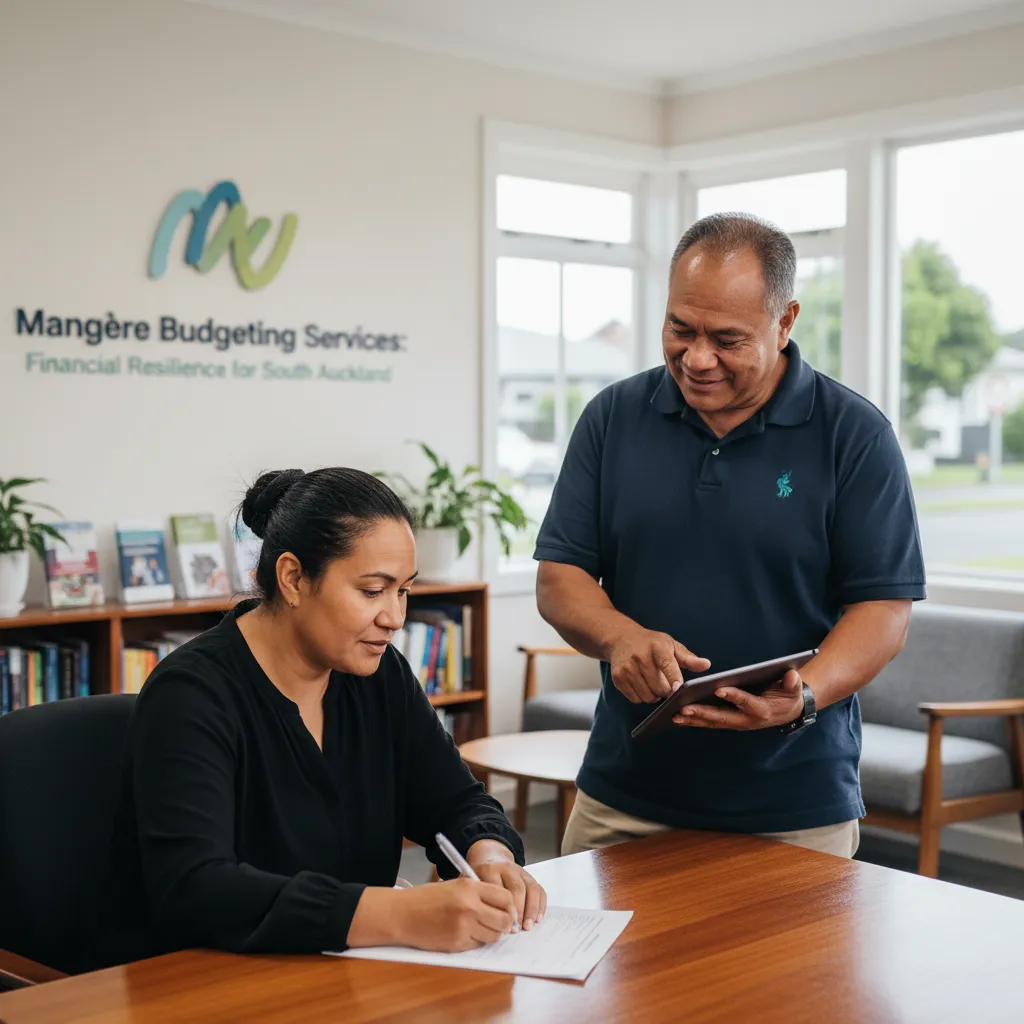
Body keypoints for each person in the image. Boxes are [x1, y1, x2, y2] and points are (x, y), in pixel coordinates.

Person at [535, 213, 925, 859]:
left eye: (727, 339)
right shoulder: (612, 417)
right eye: (679, 329)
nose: (697, 358)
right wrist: (620, 637)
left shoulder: (855, 436)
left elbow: (883, 612)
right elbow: (561, 577)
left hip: (796, 808)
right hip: (623, 797)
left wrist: (803, 699)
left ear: (786, 320)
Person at [96, 468, 545, 970]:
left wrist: (490, 855)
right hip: (205, 981)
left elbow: (457, 801)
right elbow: (195, 888)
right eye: (373, 591)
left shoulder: (379, 673)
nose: (395, 617)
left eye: (404, 592)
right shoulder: (192, 694)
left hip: (338, 971)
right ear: (293, 579)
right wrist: (398, 913)